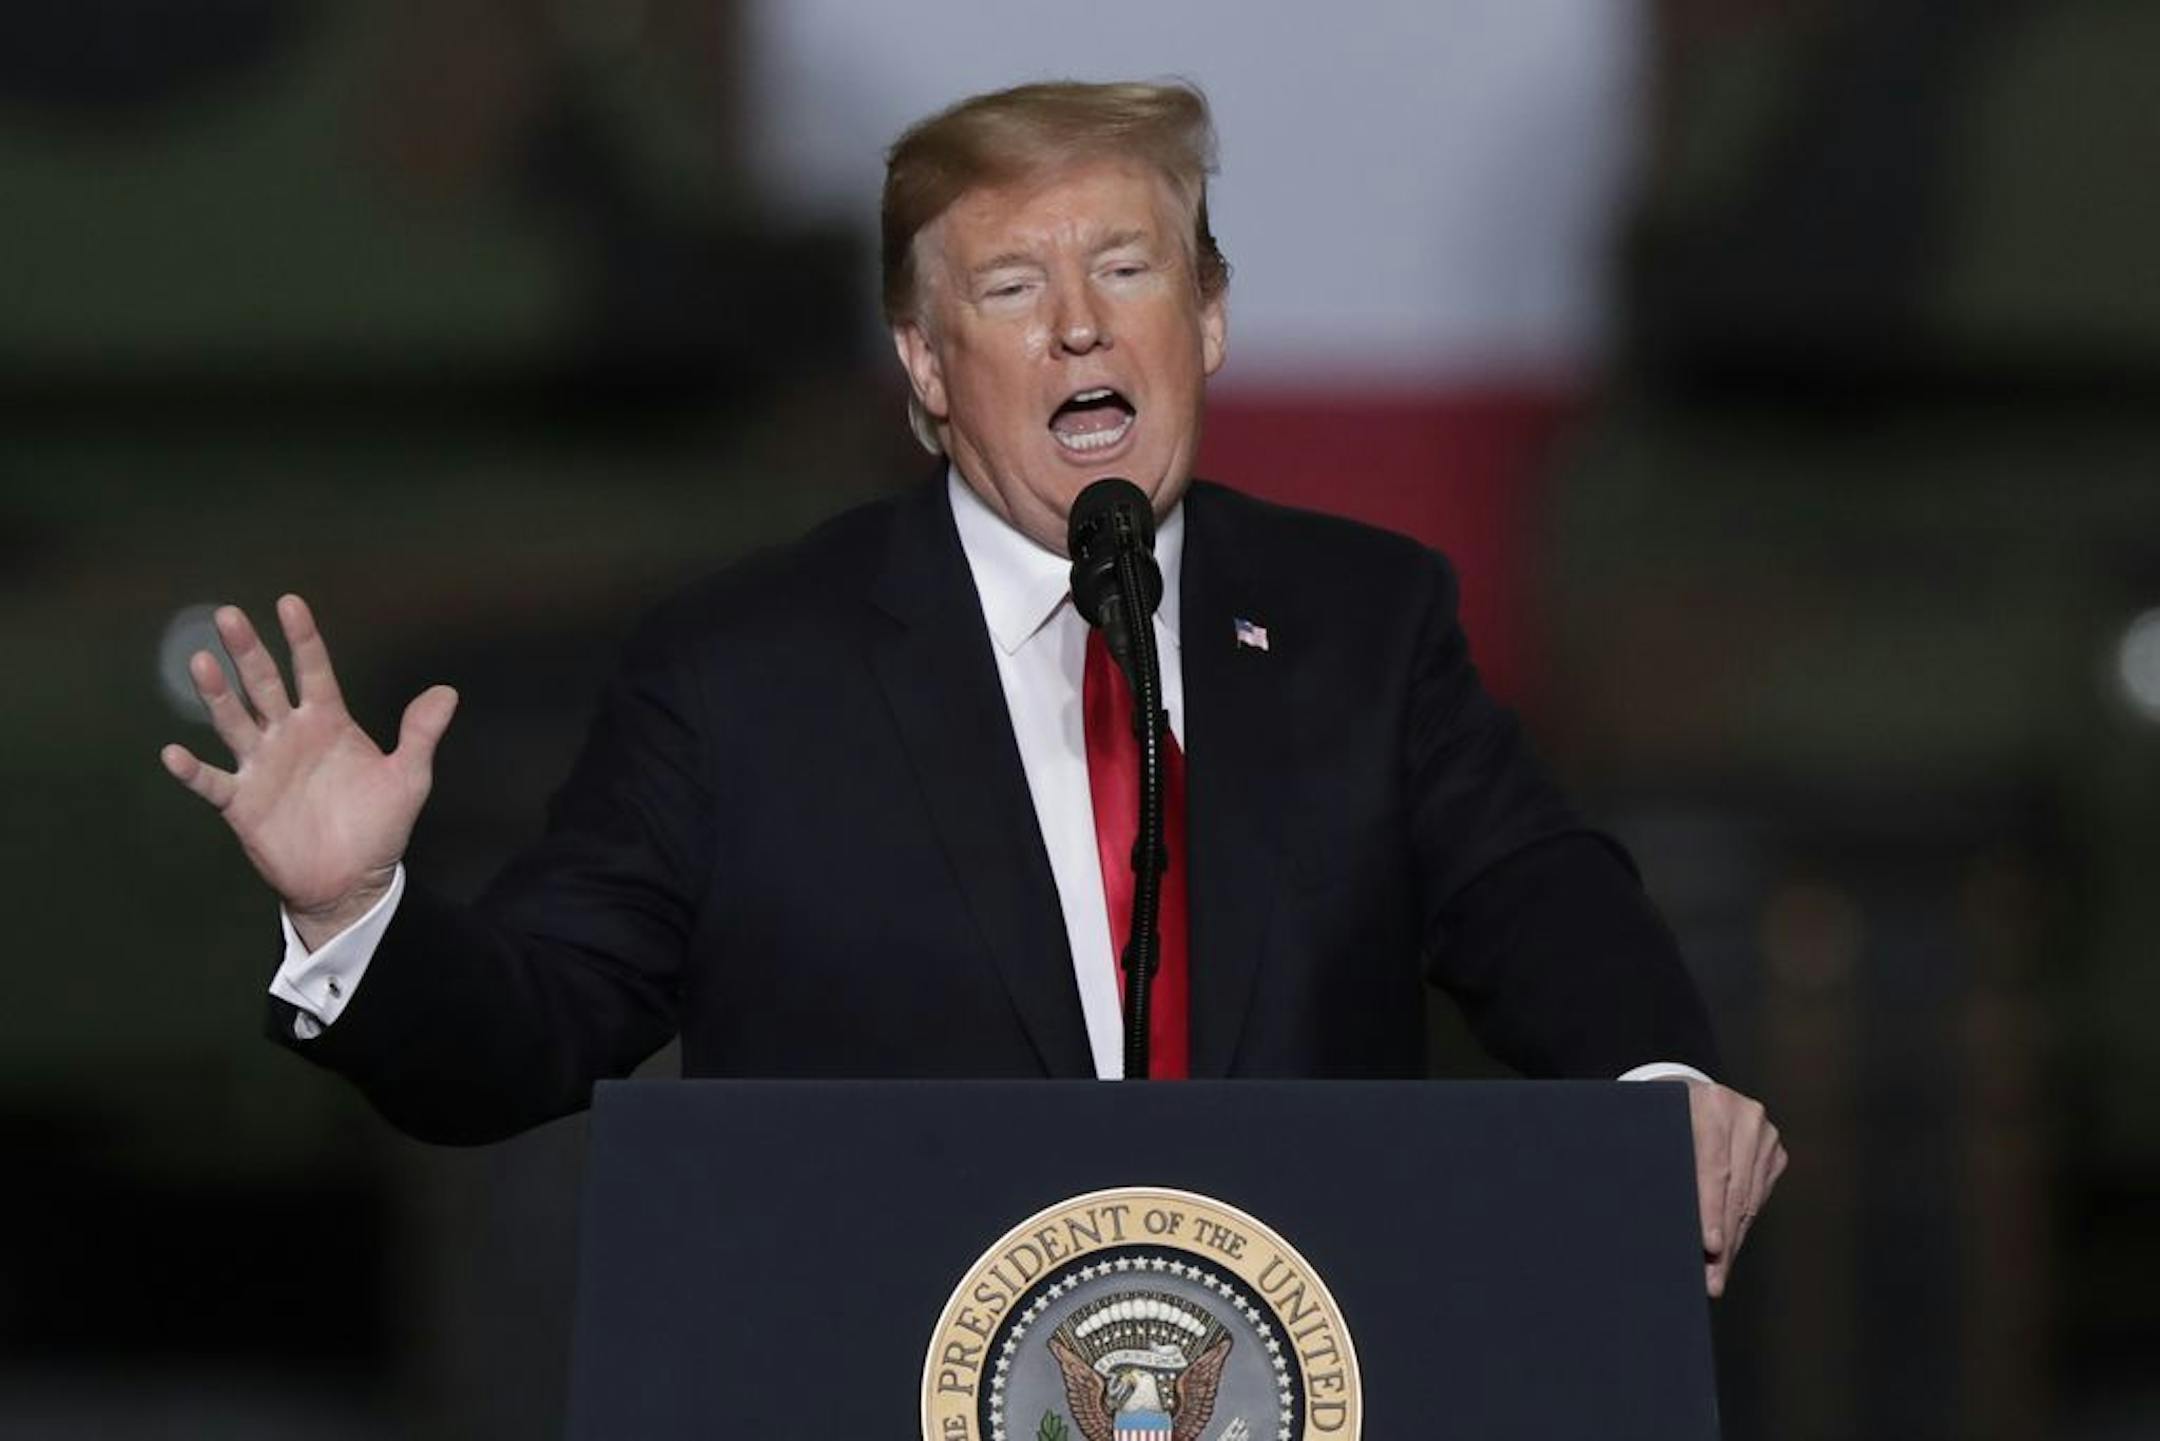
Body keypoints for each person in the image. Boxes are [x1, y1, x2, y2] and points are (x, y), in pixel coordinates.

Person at [161, 80, 1784, 1296]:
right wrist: (355, 914)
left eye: (1129, 269)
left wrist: (1666, 1087)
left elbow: (1536, 892)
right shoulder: (742, 675)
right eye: (1011, 290)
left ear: (1208, 317)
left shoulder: (1362, 621)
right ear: (928, 371)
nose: (1080, 323)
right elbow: (523, 1034)